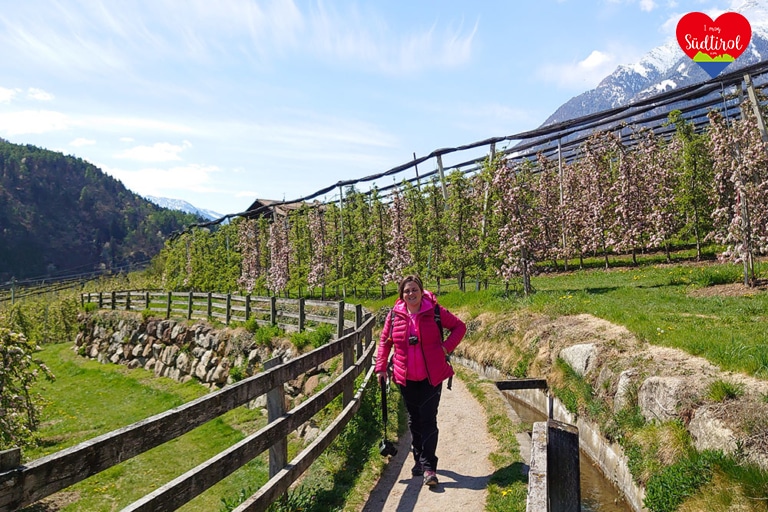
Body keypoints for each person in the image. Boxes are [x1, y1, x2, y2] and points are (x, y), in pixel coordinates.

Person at [374, 274, 466, 487]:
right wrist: (381, 368)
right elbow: (385, 342)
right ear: (401, 294)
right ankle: (418, 459)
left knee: (428, 419)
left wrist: (445, 348)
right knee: (414, 420)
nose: (411, 294)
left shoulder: (434, 310)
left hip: (431, 377)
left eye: (414, 289)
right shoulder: (394, 316)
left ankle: (429, 468)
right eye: (407, 291)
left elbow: (459, 327)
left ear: (421, 291)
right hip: (405, 378)